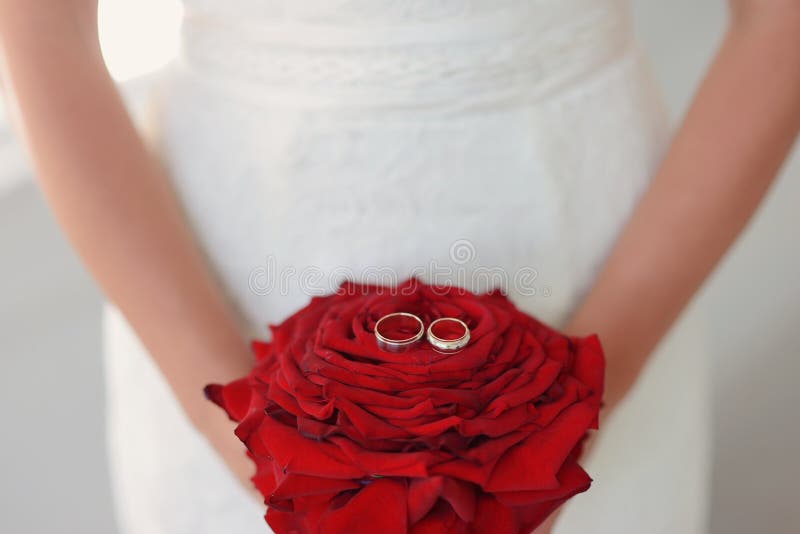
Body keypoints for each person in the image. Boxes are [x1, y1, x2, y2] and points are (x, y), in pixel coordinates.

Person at [2, 1, 799, 532]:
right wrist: (246, 438)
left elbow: (778, 21)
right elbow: (43, 29)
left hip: (601, 253)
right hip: (215, 287)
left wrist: (571, 409)